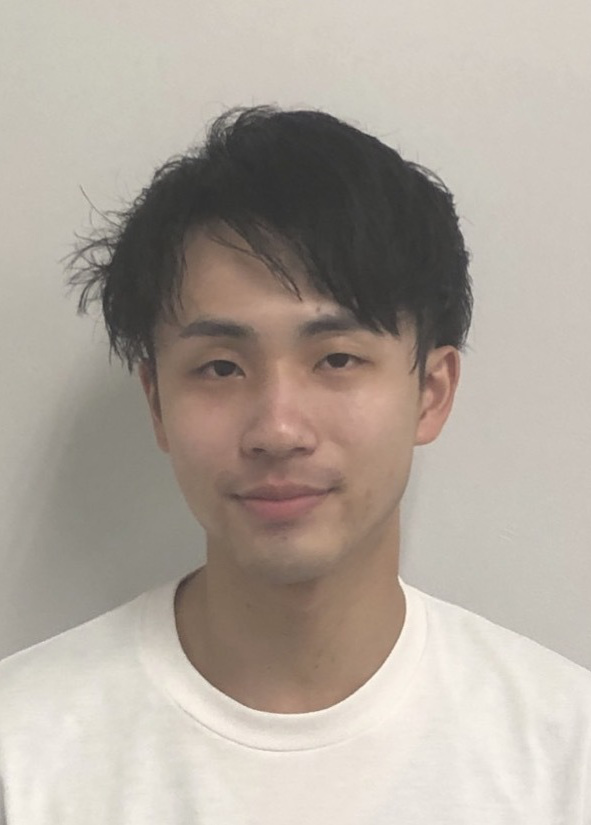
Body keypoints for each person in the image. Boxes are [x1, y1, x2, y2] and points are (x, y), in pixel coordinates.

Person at [0, 105, 589, 824]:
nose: (277, 429)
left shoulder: (565, 757)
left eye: (336, 359)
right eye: (220, 367)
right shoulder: (22, 754)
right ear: (156, 403)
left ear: (430, 393)